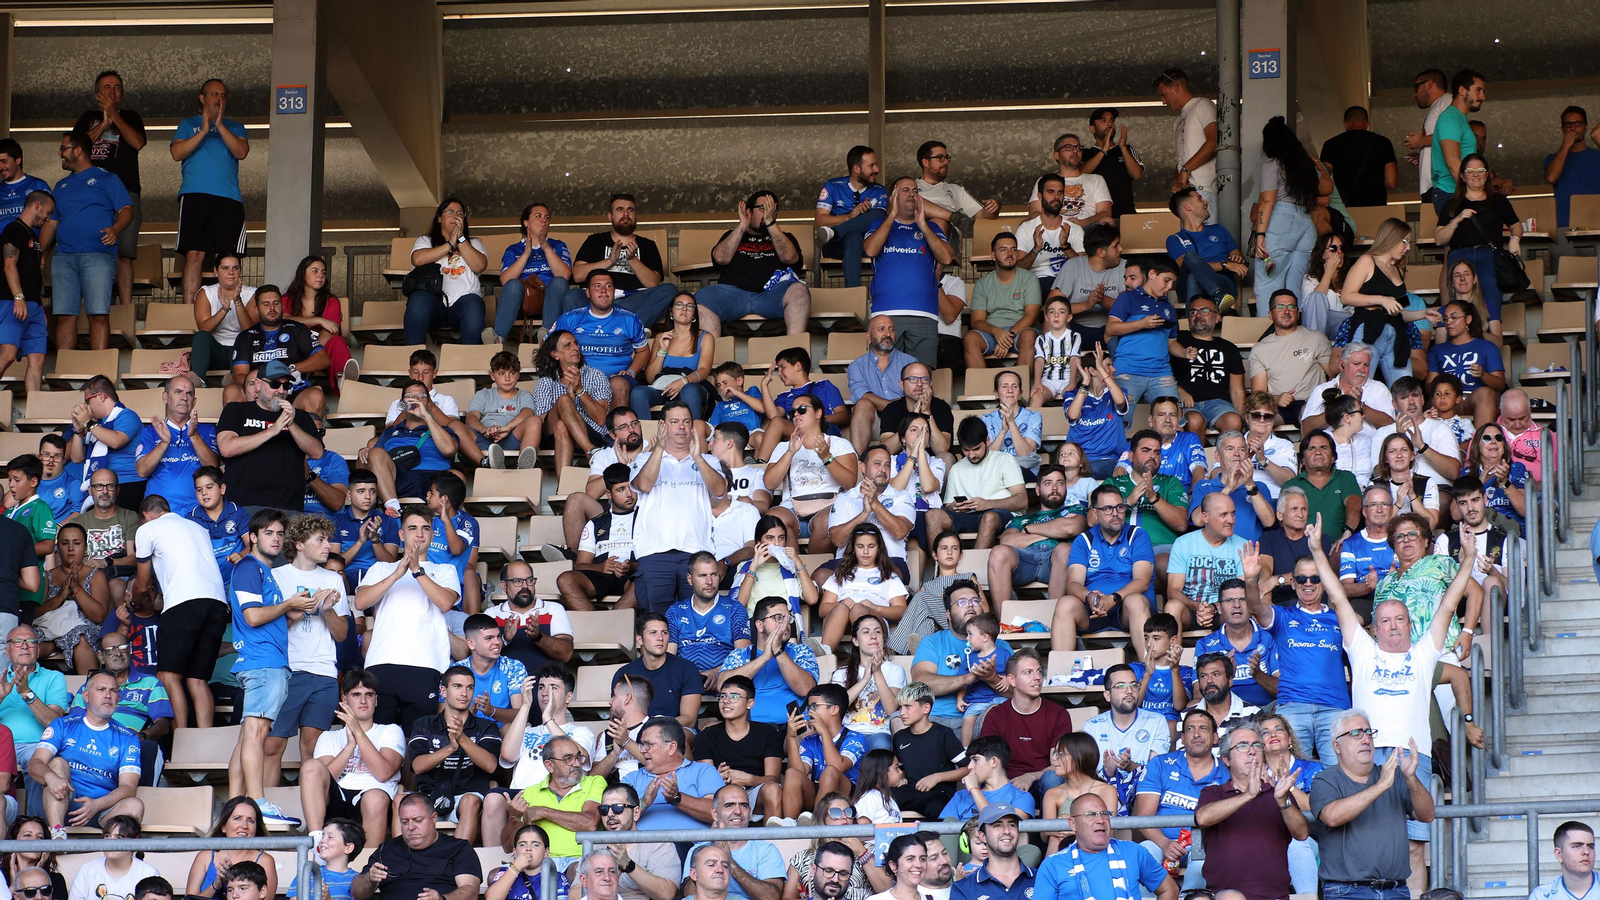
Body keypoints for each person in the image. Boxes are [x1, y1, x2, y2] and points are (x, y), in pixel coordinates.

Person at [1313, 512, 1474, 891]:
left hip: (1410, 755)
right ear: (1375, 626)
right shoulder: (1363, 651)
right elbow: (1337, 596)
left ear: (1408, 623)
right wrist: (1316, 551)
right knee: (1361, 836)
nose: (1392, 626)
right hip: (1364, 756)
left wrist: (1467, 559)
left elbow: (1449, 605)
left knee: (1415, 846)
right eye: (1384, 620)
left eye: (1399, 619)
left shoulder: (1423, 654)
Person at [225, 508, 311, 826]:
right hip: (263, 662)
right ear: (253, 537)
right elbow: (253, 617)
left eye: (279, 534)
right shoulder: (250, 567)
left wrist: (302, 608)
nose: (275, 539)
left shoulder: (264, 571)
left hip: (266, 660)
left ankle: (236, 804)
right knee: (256, 733)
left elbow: (270, 618)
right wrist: (289, 603)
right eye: (268, 533)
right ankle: (258, 804)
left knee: (247, 736)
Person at [355, 508, 461, 734]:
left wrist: (416, 570)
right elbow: (360, 602)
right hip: (381, 663)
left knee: (419, 741)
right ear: (401, 535)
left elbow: (445, 603)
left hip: (426, 665)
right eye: (412, 529)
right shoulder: (382, 567)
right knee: (378, 737)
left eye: (426, 529)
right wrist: (397, 572)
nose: (420, 535)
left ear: (432, 535)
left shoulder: (445, 570)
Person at [1310, 709, 1433, 900]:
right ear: (1337, 745)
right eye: (1355, 733)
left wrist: (1411, 777)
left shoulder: (1394, 775)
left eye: (1368, 732)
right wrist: (1381, 785)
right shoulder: (1325, 780)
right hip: (1347, 892)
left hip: (1396, 890)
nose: (1366, 739)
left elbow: (1427, 815)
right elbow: (1332, 817)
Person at [130, 494, 228, 732]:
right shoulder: (197, 528)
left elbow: (142, 584)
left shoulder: (148, 529)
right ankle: (204, 746)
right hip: (217, 604)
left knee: (168, 676)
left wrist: (134, 603)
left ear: (145, 516)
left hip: (184, 603)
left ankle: (181, 743)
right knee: (197, 679)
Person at [1241, 544, 1347, 764]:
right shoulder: (1282, 616)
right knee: (1291, 777)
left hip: (1334, 707)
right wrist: (1251, 579)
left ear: (1324, 581)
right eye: (1301, 579)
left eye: (1315, 579)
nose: (1308, 584)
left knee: (1339, 776)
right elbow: (1254, 606)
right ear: (1293, 582)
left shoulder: (1341, 618)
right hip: (1293, 706)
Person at [42, 130, 133, 353]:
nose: (60, 153)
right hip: (63, 257)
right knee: (64, 316)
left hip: (98, 255)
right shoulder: (60, 186)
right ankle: (65, 366)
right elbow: (51, 224)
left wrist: (115, 228)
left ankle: (98, 371)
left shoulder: (108, 178)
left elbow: (127, 210)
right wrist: (38, 251)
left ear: (78, 150)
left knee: (98, 314)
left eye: (64, 148)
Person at [1194, 725, 1307, 900]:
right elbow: (1202, 818)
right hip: (1226, 896)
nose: (1252, 751)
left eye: (1257, 745)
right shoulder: (1214, 793)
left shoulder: (1278, 794)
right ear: (1226, 759)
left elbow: (1301, 834)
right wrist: (1248, 795)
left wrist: (1282, 800)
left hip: (1274, 896)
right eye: (1242, 746)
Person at [632, 402, 725, 613]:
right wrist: (659, 449)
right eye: (674, 422)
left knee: (696, 619)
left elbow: (720, 490)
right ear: (662, 425)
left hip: (696, 552)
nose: (681, 427)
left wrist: (698, 457)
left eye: (686, 422)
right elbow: (644, 484)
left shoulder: (709, 460)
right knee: (656, 620)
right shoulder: (644, 458)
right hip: (654, 552)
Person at [299, 670, 404, 851]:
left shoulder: (390, 731)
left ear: (376, 700)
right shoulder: (329, 737)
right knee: (310, 767)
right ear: (344, 700)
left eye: (369, 695)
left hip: (374, 797)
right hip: (337, 798)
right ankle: (317, 843)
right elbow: (321, 779)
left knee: (375, 798)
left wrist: (358, 733)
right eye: (356, 695)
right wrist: (349, 746)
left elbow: (383, 773)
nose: (363, 701)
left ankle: (369, 864)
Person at [29, 670, 143, 836]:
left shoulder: (128, 738)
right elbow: (35, 763)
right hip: (60, 801)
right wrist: (50, 777)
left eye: (113, 691)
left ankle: (114, 854)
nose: (108, 695)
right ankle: (58, 835)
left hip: (100, 810)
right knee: (57, 764)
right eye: (101, 689)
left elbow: (129, 787)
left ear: (119, 698)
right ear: (86, 696)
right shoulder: (63, 725)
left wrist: (96, 805)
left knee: (135, 805)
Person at [169, 79, 248, 312]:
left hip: (228, 198)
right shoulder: (188, 124)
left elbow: (241, 152)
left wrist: (219, 125)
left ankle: (229, 309)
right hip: (195, 196)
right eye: (214, 94)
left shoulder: (235, 126)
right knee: (194, 253)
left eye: (223, 95)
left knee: (227, 257)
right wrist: (204, 129)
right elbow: (176, 152)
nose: (219, 99)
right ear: (202, 98)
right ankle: (188, 311)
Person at [1051, 483, 1156, 657]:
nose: (1115, 513)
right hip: (1094, 611)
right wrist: (1089, 597)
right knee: (1065, 603)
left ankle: (1150, 671)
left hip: (1128, 609)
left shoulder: (1138, 535)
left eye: (1119, 507)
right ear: (1095, 513)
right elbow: (1073, 583)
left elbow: (1142, 581)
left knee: (1136, 601)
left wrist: (1113, 599)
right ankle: (1061, 676)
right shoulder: (1084, 540)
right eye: (1107, 509)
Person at [408, 665, 507, 847]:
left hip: (467, 796)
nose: (464, 693)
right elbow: (417, 766)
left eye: (469, 687)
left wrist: (462, 738)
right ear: (443, 691)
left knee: (470, 800)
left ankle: (455, 863)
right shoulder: (424, 724)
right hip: (430, 795)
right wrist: (449, 749)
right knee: (402, 800)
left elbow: (491, 765)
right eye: (458, 687)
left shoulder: (486, 726)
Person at [866, 177, 955, 367]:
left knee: (921, 378)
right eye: (905, 190)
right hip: (886, 314)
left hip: (924, 314)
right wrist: (892, 216)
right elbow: (870, 250)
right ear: (893, 196)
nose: (911, 194)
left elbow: (947, 258)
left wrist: (922, 224)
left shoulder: (931, 227)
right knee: (885, 374)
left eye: (915, 191)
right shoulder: (878, 224)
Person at [215, 361, 327, 512]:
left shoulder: (299, 416)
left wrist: (292, 425)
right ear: (259, 384)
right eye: (275, 384)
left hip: (288, 506)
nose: (281, 390)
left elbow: (317, 452)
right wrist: (272, 431)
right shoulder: (236, 410)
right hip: (243, 505)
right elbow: (227, 448)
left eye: (286, 386)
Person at [696, 191, 809, 336]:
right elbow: (720, 258)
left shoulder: (785, 237)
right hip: (733, 293)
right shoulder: (732, 235)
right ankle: (713, 353)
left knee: (799, 291)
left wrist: (771, 223)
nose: (768, 212)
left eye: (772, 209)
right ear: (749, 212)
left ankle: (794, 354)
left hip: (770, 294)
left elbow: (789, 258)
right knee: (702, 298)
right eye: (762, 208)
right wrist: (742, 226)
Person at [1133, 709, 1227, 881]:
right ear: (1182, 738)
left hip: (1203, 845)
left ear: (1215, 738)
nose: (1196, 734)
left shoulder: (1227, 775)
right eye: (1190, 729)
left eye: (1203, 729)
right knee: (1143, 854)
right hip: (1159, 842)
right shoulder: (1160, 764)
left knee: (1203, 863)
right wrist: (1164, 843)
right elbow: (1144, 816)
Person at [761, 392, 857, 556]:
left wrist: (827, 457)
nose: (796, 414)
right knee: (773, 520)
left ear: (819, 413)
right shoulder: (784, 447)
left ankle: (813, 570)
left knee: (826, 521)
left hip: (829, 505)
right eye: (793, 412)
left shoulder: (839, 444)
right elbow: (769, 483)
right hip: (792, 506)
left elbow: (850, 483)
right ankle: (794, 571)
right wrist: (790, 453)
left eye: (802, 409)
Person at [1035, 792, 1178, 900]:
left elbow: (1169, 890)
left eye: (1104, 814)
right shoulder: (1053, 864)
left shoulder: (1134, 851)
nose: (1100, 820)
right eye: (1090, 814)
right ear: (1073, 824)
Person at [1251, 116, 1329, 311]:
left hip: (1280, 223)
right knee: (1295, 287)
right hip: (1304, 225)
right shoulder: (1305, 166)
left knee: (1268, 285)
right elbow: (1327, 187)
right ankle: (1296, 333)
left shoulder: (1273, 165)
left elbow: (1267, 200)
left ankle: (1269, 335)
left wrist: (1260, 234)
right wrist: (1315, 161)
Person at [351, 792, 482, 900]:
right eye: (405, 822)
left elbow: (470, 890)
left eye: (418, 820)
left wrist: (442, 899)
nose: (411, 827)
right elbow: (357, 894)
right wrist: (369, 879)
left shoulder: (458, 848)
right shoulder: (386, 849)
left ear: (434, 818)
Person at [1081, 663, 1172, 814]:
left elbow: (1157, 771)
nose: (1129, 691)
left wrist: (1130, 766)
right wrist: (1109, 773)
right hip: (1102, 791)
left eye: (1133, 685)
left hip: (1144, 792)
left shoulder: (1156, 721)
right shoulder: (1092, 726)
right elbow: (1086, 776)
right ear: (1107, 695)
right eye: (1121, 686)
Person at [227, 285, 331, 417]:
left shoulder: (296, 329)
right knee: (231, 391)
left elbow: (323, 358)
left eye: (276, 303)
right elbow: (239, 374)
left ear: (282, 306)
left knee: (315, 396)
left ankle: (306, 436)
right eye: (266, 304)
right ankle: (238, 436)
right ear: (257, 309)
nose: (272, 308)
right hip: (257, 393)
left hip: (290, 389)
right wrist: (259, 385)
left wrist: (291, 369)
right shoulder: (246, 336)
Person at [506, 733, 603, 875]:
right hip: (539, 862)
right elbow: (508, 847)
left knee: (577, 871)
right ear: (550, 765)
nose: (576, 763)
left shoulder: (594, 782)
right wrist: (513, 818)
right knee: (495, 875)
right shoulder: (530, 793)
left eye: (578, 757)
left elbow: (590, 823)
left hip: (580, 860)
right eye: (568, 759)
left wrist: (544, 812)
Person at [977, 649, 1072, 792]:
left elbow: (1059, 763)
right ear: (1011, 680)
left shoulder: (1058, 714)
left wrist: (1031, 776)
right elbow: (986, 760)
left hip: (1041, 782)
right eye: (1028, 672)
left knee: (1053, 777)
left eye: (1039, 671)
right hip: (1006, 784)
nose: (1037, 677)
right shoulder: (996, 714)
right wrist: (1006, 785)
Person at [924, 418, 1026, 550]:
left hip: (1002, 516)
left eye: (976, 449)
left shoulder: (1004, 460)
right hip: (968, 517)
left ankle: (975, 569)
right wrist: (955, 507)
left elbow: (1022, 500)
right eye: (966, 450)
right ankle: (941, 568)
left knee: (989, 517)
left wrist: (987, 504)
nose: (971, 455)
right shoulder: (957, 468)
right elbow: (948, 506)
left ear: (987, 441)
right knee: (932, 515)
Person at [718, 597, 819, 726]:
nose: (785, 623)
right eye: (778, 617)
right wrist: (764, 657)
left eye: (788, 618)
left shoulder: (801, 651)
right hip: (749, 729)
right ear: (759, 625)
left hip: (793, 729)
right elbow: (722, 686)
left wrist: (778, 652)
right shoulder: (741, 654)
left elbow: (805, 689)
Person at [695, 674, 784, 821]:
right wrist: (716, 778)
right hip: (722, 792)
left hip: (755, 791)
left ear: (750, 703)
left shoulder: (768, 732)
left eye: (734, 696)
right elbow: (704, 780)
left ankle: (773, 841)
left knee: (773, 789)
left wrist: (749, 779)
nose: (726, 701)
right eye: (722, 696)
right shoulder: (707, 736)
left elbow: (773, 778)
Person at [986, 465, 1075, 609]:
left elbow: (1070, 529)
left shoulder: (1075, 510)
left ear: (1066, 488)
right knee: (998, 552)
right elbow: (1007, 541)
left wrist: (1028, 531)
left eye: (1060, 483)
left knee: (1064, 549)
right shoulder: (1022, 519)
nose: (1054, 488)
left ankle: (1057, 622)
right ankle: (1005, 626)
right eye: (1048, 483)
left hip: (1055, 562)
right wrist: (1054, 530)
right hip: (1025, 560)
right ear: (1038, 490)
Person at [403, 197, 488, 345]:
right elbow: (417, 259)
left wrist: (460, 239)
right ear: (439, 218)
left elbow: (479, 265)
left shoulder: (474, 243)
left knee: (474, 305)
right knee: (418, 300)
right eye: (450, 212)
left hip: (464, 302)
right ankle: (413, 357)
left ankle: (470, 361)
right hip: (433, 302)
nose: (456, 216)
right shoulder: (425, 241)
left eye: (460, 213)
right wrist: (449, 244)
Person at [132, 373, 219, 514]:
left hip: (198, 512)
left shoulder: (206, 430)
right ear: (165, 397)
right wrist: (163, 443)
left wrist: (194, 436)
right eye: (178, 392)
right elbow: (141, 471)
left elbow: (213, 468)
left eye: (189, 394)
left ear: (194, 401)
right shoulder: (151, 432)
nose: (184, 397)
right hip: (158, 513)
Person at [620, 716, 723, 832]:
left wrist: (677, 798)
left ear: (671, 747)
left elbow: (719, 813)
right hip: (643, 847)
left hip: (691, 846)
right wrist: (643, 803)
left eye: (648, 744)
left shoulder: (703, 771)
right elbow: (616, 820)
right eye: (642, 745)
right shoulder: (631, 779)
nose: (643, 750)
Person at [1249, 292, 1336, 427]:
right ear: (1270, 315)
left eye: (1291, 307)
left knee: (1307, 416)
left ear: (1298, 314)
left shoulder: (1315, 338)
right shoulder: (1260, 348)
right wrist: (1276, 399)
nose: (1286, 311)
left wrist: (1320, 397)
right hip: (1277, 404)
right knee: (1259, 421)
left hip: (1309, 402)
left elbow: (1334, 374)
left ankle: (1306, 448)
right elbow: (1258, 394)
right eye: (1280, 307)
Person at [1106, 258, 1181, 407]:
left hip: (1161, 372)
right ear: (1152, 274)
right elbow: (1110, 329)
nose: (1170, 286)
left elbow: (1172, 343)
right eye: (1167, 280)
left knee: (1175, 417)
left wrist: (1185, 352)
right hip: (1128, 370)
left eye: (1172, 282)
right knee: (1122, 419)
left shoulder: (1168, 308)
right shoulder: (1127, 297)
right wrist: (1142, 323)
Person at [495, 202, 572, 344]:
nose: (544, 220)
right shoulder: (514, 249)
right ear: (526, 223)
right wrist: (526, 254)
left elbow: (565, 275)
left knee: (559, 282)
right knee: (513, 284)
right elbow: (505, 280)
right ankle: (498, 339)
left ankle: (546, 336)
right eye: (538, 216)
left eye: (547, 217)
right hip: (522, 302)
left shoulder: (558, 246)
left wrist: (546, 248)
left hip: (551, 301)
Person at [631, 293, 713, 426]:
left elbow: (704, 369)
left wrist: (683, 381)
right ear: (671, 312)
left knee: (689, 390)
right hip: (664, 387)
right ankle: (647, 441)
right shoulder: (660, 337)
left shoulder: (705, 337)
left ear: (694, 314)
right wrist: (662, 351)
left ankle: (692, 440)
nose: (684, 309)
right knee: (638, 392)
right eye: (679, 305)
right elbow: (651, 378)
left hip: (691, 386)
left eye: (689, 306)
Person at [666, 551, 752, 678]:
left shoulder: (734, 609)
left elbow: (743, 655)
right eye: (702, 575)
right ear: (690, 579)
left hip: (726, 681)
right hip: (684, 681)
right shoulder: (676, 611)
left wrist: (717, 672)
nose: (709, 581)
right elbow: (669, 657)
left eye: (714, 575)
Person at [1194, 580, 1278, 708]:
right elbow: (1199, 696)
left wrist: (1257, 674)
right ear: (1220, 608)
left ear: (1251, 604)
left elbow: (1282, 690)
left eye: (1243, 600)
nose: (1236, 605)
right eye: (1229, 600)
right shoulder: (1205, 645)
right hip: (1226, 712)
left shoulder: (1270, 638)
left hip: (1268, 710)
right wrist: (1226, 677)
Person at [815, 146, 889, 289]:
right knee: (853, 237)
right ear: (856, 169)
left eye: (876, 164)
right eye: (871, 165)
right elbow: (820, 221)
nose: (877, 170)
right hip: (835, 245)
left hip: (869, 245)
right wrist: (849, 217)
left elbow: (881, 222)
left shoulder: (879, 190)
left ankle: (836, 231)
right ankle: (854, 293)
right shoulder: (833, 186)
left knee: (879, 216)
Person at [0, 190, 51, 394]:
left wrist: (38, 307)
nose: (48, 218)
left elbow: (32, 275)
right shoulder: (14, 229)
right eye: (48, 212)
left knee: (38, 359)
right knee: (8, 355)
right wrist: (18, 297)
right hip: (13, 302)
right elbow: (9, 265)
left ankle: (33, 413)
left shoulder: (33, 235)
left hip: (34, 306)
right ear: (37, 206)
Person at [966, 235, 1042, 372]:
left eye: (1013, 249)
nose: (1010, 254)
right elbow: (976, 321)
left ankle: (1021, 388)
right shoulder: (983, 283)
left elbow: (1031, 316)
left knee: (1029, 336)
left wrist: (1008, 337)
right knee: (970, 338)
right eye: (1003, 250)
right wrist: (997, 332)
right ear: (993, 256)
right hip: (992, 332)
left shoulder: (1029, 278)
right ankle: (981, 390)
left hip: (1020, 332)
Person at [1046, 222, 1125, 354]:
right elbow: (1050, 308)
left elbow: (1130, 308)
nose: (1121, 249)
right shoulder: (1073, 266)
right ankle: (1058, 371)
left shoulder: (1124, 266)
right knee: (1052, 322)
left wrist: (1102, 299)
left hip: (1111, 330)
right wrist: (1086, 305)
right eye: (1116, 246)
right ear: (1101, 252)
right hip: (1077, 329)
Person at [592, 784, 681, 900]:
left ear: (636, 813)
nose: (610, 814)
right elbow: (575, 893)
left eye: (617, 808)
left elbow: (666, 894)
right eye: (604, 810)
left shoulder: (658, 844)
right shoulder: (594, 848)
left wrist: (627, 864)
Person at [613, 614, 701, 729]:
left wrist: (654, 728)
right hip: (636, 731)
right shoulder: (625, 674)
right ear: (640, 639)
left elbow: (689, 719)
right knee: (603, 737)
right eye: (653, 632)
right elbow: (619, 716)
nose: (660, 638)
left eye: (664, 632)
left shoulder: (687, 669)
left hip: (675, 730)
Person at [285, 254, 355, 391]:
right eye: (315, 271)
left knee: (337, 342)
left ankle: (345, 384)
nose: (320, 276)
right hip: (295, 347)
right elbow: (284, 320)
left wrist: (314, 353)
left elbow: (331, 330)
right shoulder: (287, 299)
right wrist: (319, 320)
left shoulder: (331, 301)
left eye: (323, 272)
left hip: (320, 347)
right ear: (302, 274)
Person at [1154, 67, 1218, 216]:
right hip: (1187, 192)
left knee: (1206, 237)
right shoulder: (1178, 121)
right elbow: (1182, 158)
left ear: (1176, 88)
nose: (1163, 102)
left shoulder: (1203, 105)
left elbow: (1214, 141)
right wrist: (1175, 181)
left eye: (1164, 95)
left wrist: (1186, 171)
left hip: (1204, 190)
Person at [1166, 188, 1244, 310]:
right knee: (1190, 259)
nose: (1206, 201)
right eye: (1199, 198)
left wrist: (1236, 258)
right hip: (1186, 288)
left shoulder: (1219, 230)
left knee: (1193, 276)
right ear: (1188, 207)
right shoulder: (1175, 239)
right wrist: (1225, 264)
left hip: (1222, 281)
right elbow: (1183, 266)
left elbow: (1237, 257)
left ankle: (1192, 326)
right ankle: (1217, 294)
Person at [1190, 432, 1276, 542]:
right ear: (1217, 456)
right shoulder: (1203, 486)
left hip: (1248, 555)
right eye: (1230, 449)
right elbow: (1198, 520)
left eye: (1241, 449)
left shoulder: (1259, 487)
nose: (1237, 454)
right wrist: (1228, 488)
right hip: (1214, 555)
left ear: (1247, 456)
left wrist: (1249, 484)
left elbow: (1269, 521)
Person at [1282, 431, 1362, 542]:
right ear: (1303, 459)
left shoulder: (1345, 478)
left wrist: (1347, 533)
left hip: (1338, 546)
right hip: (1302, 547)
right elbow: (1285, 522)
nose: (1318, 452)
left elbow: (1354, 505)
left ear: (1333, 457)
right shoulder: (1291, 485)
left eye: (1324, 448)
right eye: (1311, 448)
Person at [1318, 106, 1399, 209]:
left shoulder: (1331, 144)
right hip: (1376, 205)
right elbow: (1391, 182)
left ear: (1345, 123)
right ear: (1367, 124)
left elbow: (1324, 175)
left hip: (1345, 207)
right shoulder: (1383, 143)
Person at [1430, 70, 1487, 213]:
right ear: (1462, 90)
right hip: (1452, 194)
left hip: (1457, 193)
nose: (1483, 96)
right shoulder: (1451, 118)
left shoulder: (1458, 118)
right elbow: (1453, 162)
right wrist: (1476, 192)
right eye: (1478, 90)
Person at [67, 815, 158, 900]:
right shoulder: (86, 871)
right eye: (107, 836)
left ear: (135, 841)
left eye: (119, 838)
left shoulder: (149, 873)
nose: (110, 842)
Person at [1543, 107, 1600, 235]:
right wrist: (1565, 146)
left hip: (1595, 225)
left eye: (1578, 123)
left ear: (1585, 127)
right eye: (1568, 125)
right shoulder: (1552, 159)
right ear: (1562, 129)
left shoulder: (1598, 157)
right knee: (1563, 256)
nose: (1573, 128)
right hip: (1563, 225)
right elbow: (1551, 178)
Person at [1082, 107, 1144, 216]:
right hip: (1095, 216)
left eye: (1112, 121)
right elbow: (1080, 173)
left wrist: (1123, 147)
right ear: (1092, 128)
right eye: (1103, 121)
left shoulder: (1127, 148)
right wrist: (1103, 151)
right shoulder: (1085, 152)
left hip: (1125, 214)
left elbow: (1137, 175)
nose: (1109, 124)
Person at [1530, 822, 1600, 900]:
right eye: (1577, 846)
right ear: (1559, 854)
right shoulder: (1542, 896)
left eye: (1590, 846)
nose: (1586, 852)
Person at [0, 139, 50, 234]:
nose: (0, 167)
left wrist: (43, 247)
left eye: (3, 161)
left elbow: (51, 220)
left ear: (18, 160)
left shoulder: (37, 185)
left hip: (28, 246)